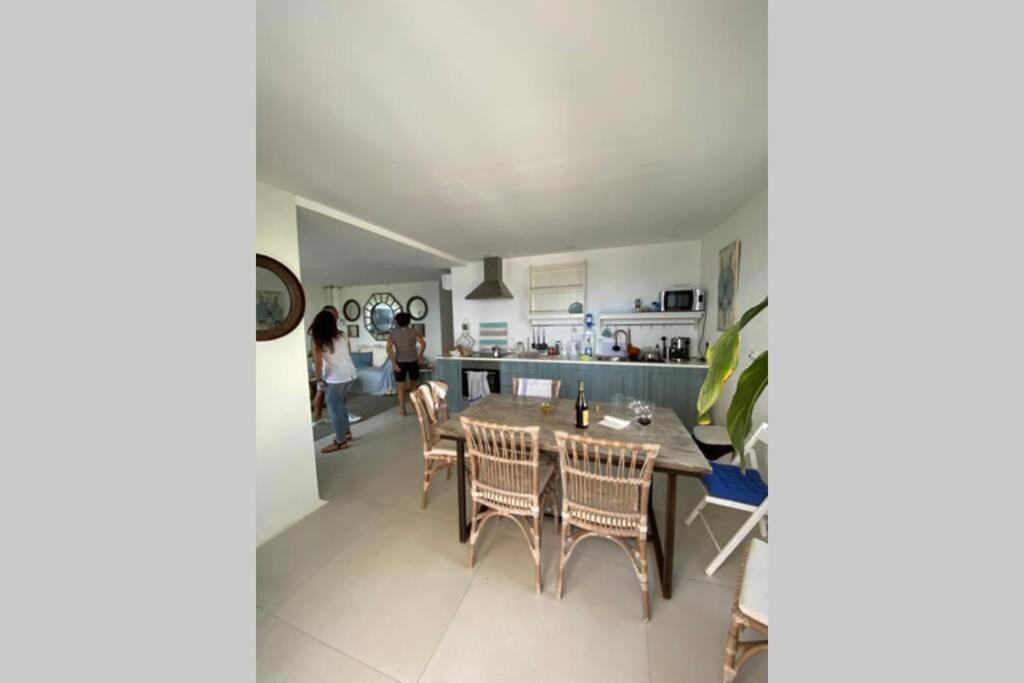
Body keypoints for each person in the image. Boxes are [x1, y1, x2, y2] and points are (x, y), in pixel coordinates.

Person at [310, 309, 357, 452]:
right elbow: (349, 353)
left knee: (334, 410)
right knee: (341, 404)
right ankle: (346, 433)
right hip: (350, 374)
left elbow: (318, 362)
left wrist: (319, 379)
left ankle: (340, 441)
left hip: (336, 378)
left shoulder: (318, 338)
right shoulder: (342, 335)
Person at [386, 312, 426, 416]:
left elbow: (388, 349)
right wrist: (420, 356)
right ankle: (415, 408)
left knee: (400, 387)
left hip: (400, 362)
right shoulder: (413, 331)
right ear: (408, 321)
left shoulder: (393, 333)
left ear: (397, 321)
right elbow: (423, 344)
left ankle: (403, 410)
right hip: (413, 361)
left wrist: (394, 363)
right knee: (414, 385)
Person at [309, 305, 340, 423]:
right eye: (334, 315)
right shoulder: (318, 331)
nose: (336, 317)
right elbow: (318, 355)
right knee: (321, 390)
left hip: (327, 364)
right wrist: (319, 377)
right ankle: (317, 417)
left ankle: (317, 417)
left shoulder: (328, 329)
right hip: (322, 365)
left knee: (321, 391)